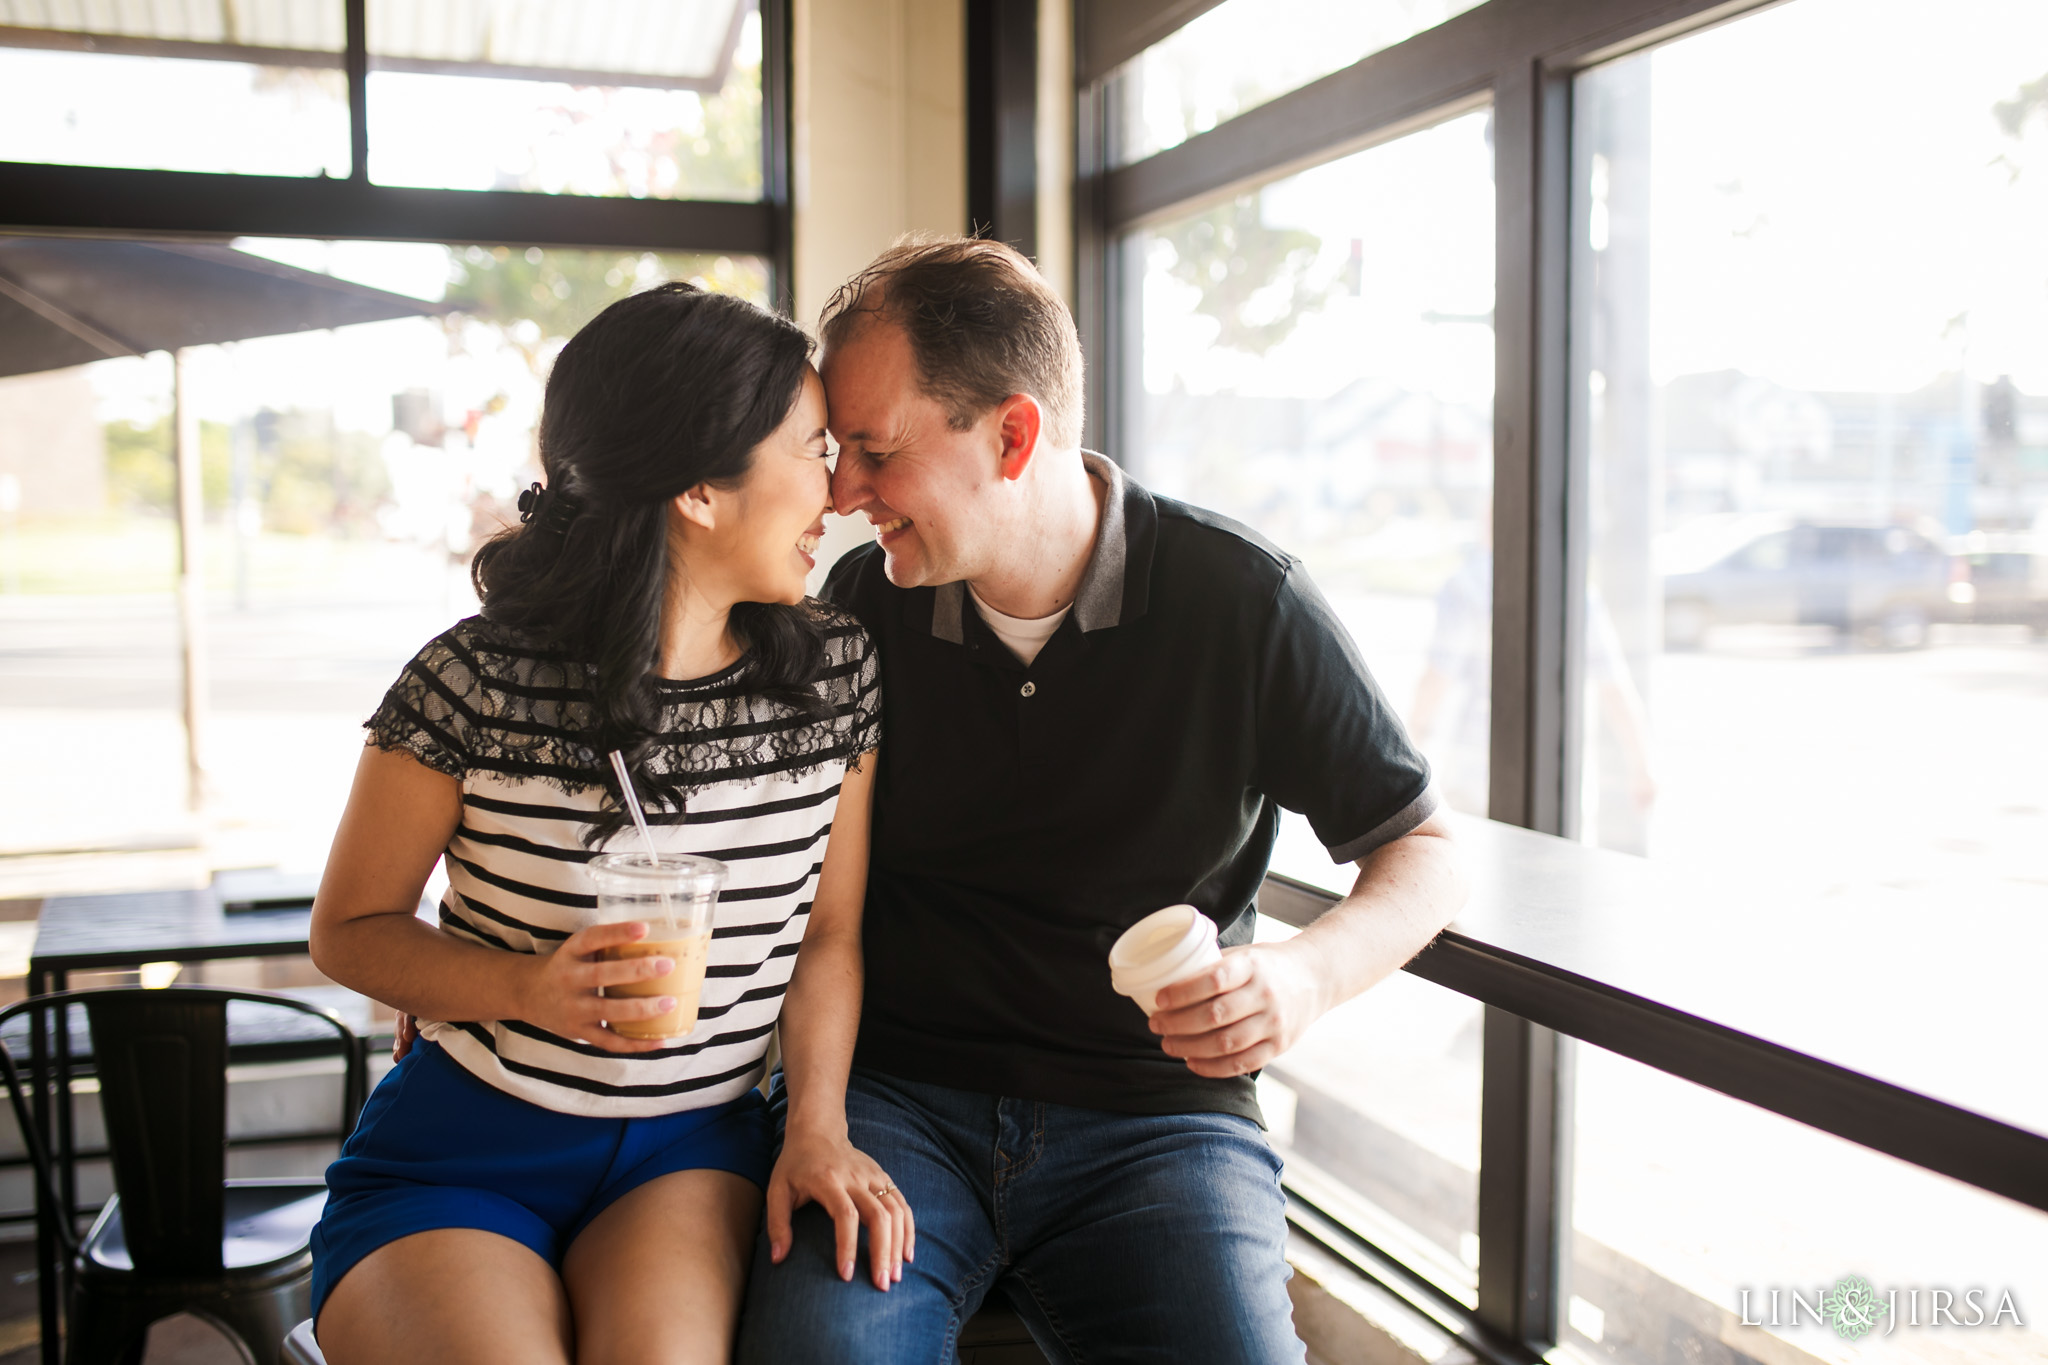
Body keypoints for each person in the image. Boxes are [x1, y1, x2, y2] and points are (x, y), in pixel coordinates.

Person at [735, 237, 1467, 1364]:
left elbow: (1419, 847)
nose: (838, 493)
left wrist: (1303, 976)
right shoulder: (861, 607)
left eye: (872, 451)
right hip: (896, 1101)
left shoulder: (1239, 601)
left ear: (1012, 434)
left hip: (1156, 1122)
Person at [307, 283, 910, 1365]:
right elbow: (348, 929)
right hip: (463, 1147)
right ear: (698, 487)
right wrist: (526, 988)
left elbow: (826, 939)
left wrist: (815, 1127)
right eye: (813, 449)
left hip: (688, 1151)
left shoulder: (832, 674)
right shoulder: (472, 681)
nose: (842, 490)